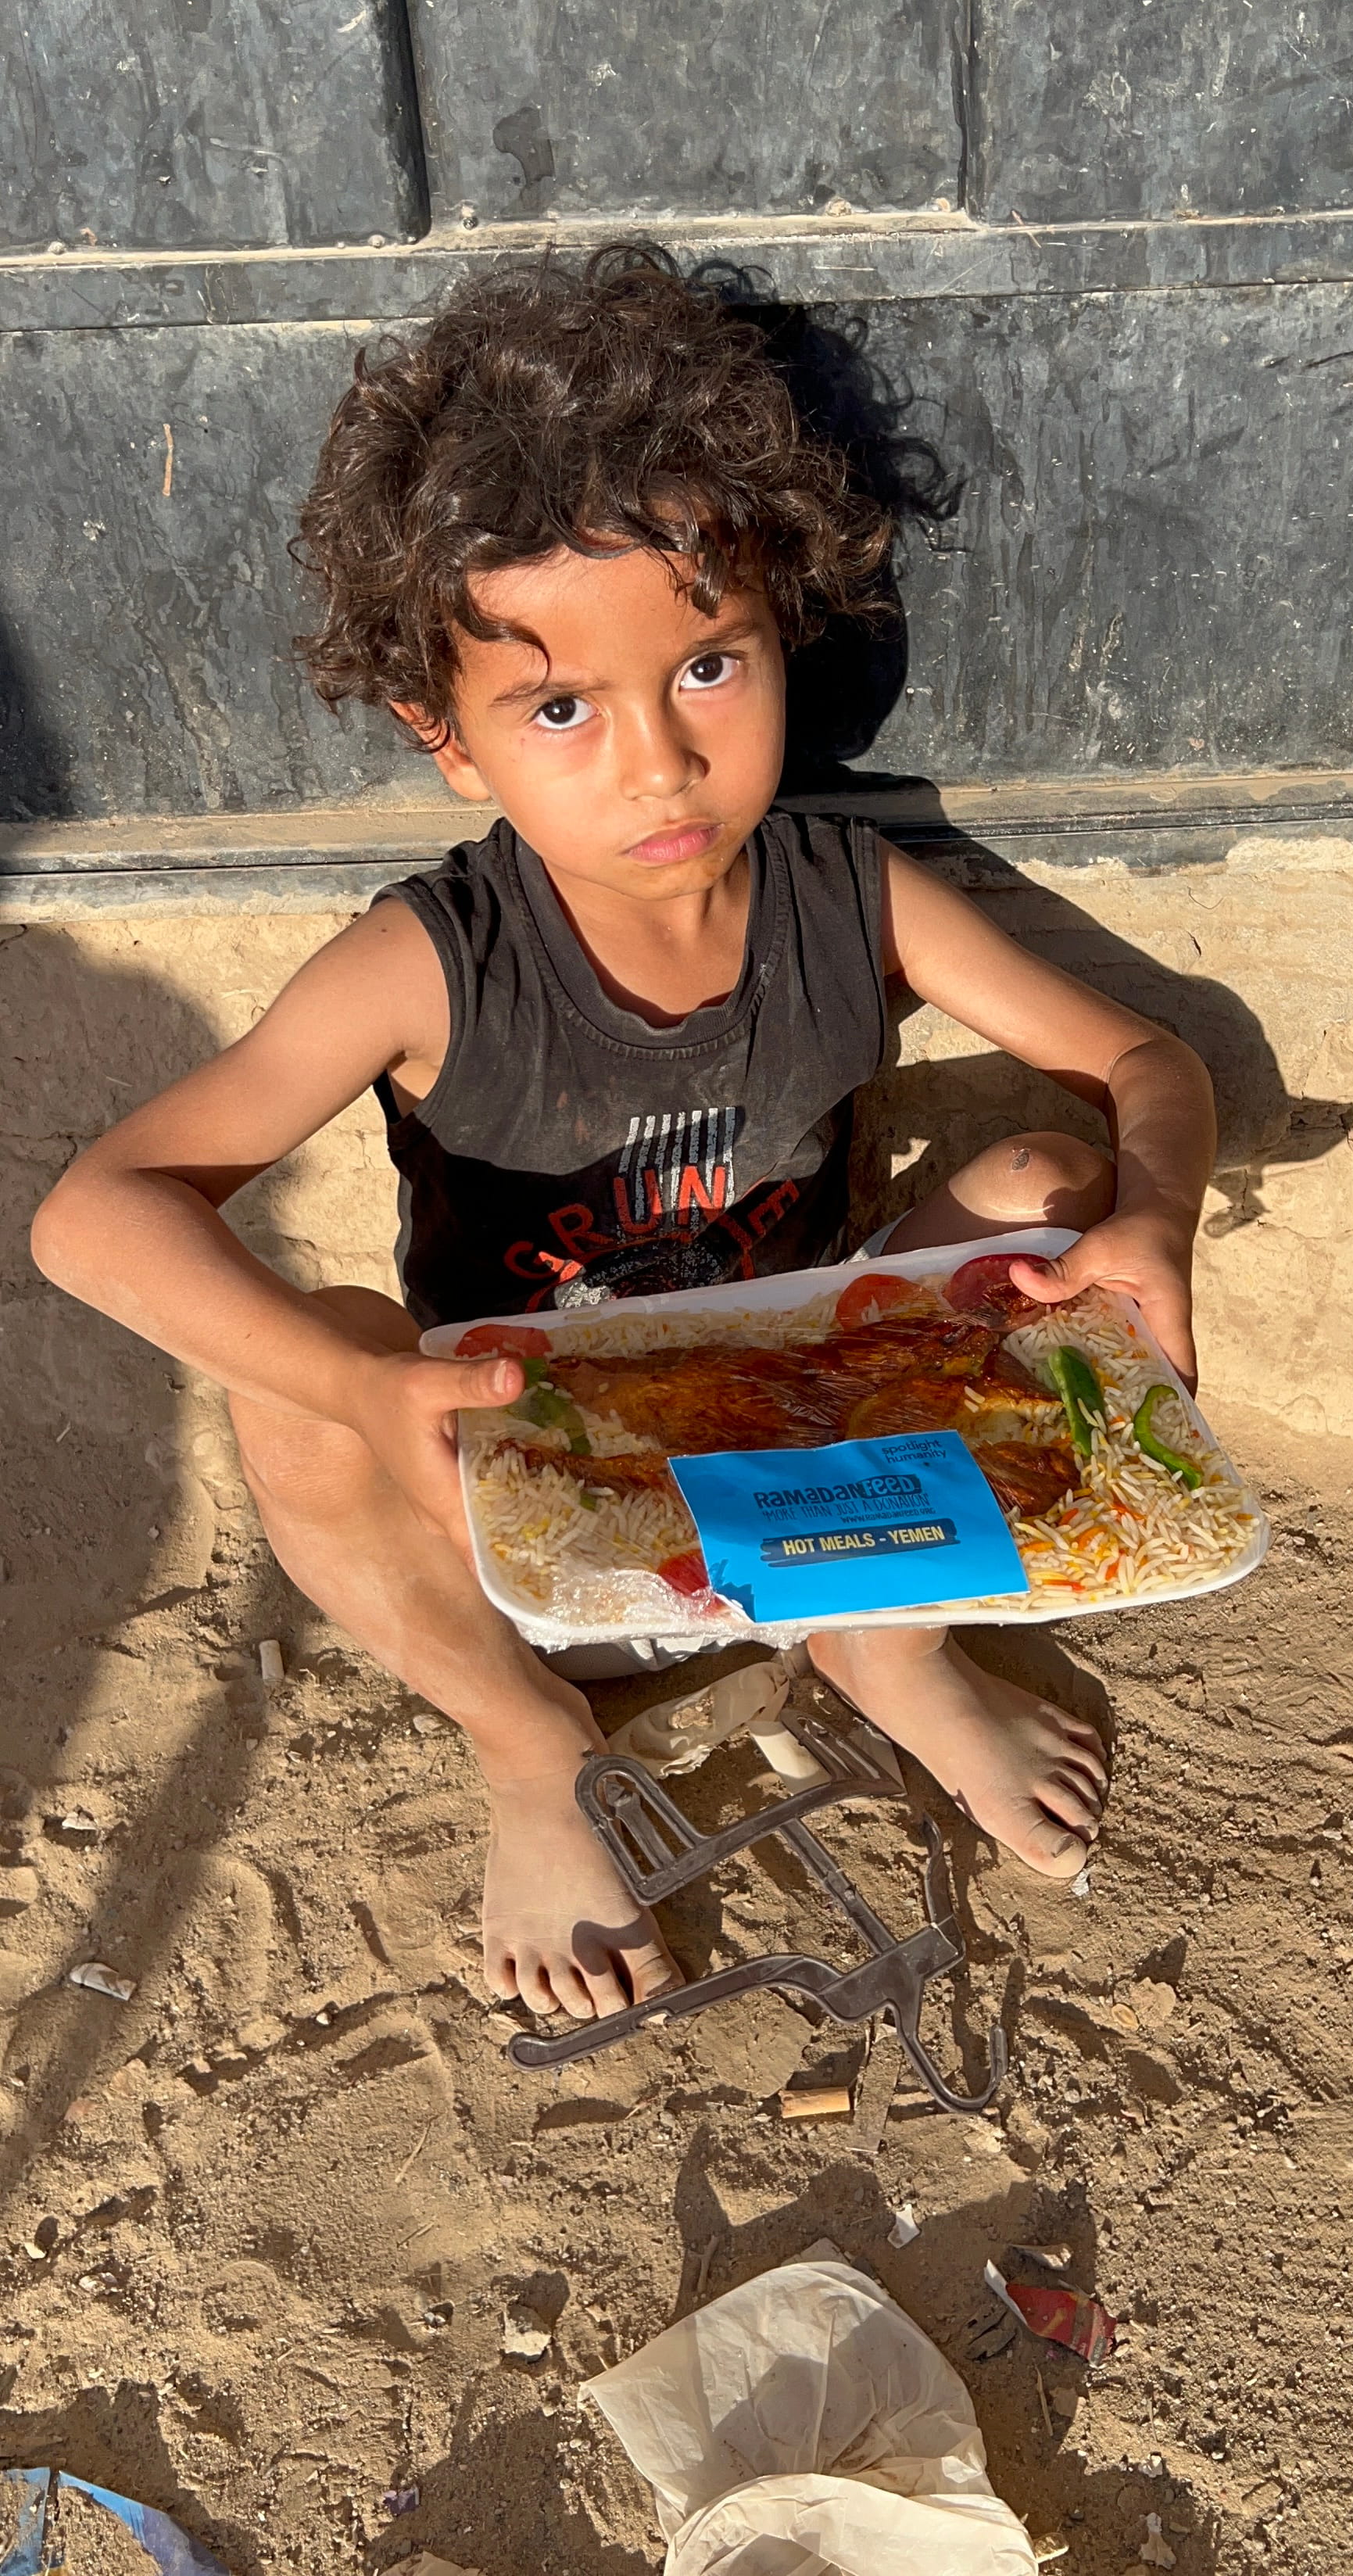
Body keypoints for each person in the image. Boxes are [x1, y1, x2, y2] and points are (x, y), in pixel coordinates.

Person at [31, 245, 1215, 2029]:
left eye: (708, 665)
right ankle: (533, 1754)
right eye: (561, 707)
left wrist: (1157, 1216)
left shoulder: (852, 895)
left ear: (781, 630)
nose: (658, 766)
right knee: (303, 1377)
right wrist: (362, 1389)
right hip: (531, 1494)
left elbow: (1139, 1057)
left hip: (809, 1452)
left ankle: (886, 1646)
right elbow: (91, 1216)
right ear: (447, 737)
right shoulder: (431, 962)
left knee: (1052, 1187)